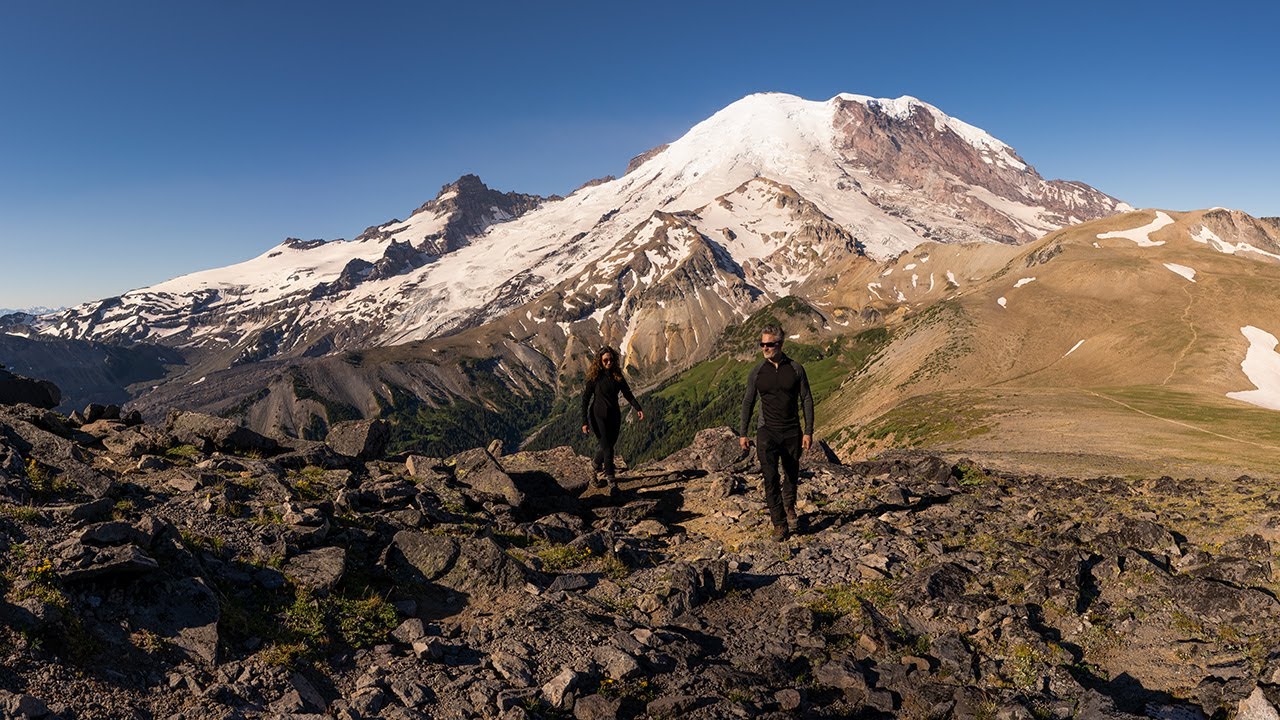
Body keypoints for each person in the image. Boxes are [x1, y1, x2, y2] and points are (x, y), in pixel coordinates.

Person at [740, 325, 814, 541]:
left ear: (780, 344)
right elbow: (748, 401)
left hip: (792, 431)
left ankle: (789, 506)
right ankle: (779, 523)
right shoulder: (757, 372)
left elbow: (806, 399)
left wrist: (808, 431)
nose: (765, 348)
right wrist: (743, 433)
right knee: (770, 477)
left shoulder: (796, 369)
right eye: (762, 344)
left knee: (791, 474)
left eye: (770, 344)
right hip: (766, 431)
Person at [581, 346, 644, 491]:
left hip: (614, 415)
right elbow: (585, 399)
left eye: (611, 360)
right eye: (605, 360)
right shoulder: (595, 377)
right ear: (600, 361)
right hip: (598, 416)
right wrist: (584, 421)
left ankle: (593, 468)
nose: (608, 362)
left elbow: (627, 393)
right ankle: (612, 482)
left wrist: (638, 407)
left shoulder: (617, 376)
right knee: (608, 449)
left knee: (607, 446)